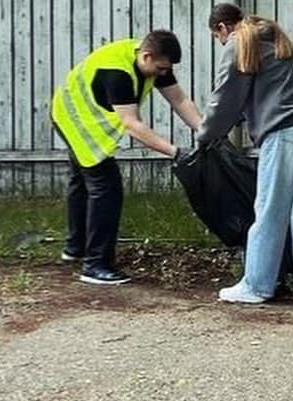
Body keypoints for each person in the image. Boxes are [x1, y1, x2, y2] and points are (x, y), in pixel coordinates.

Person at [195, 15, 293, 305]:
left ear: (222, 27)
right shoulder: (272, 34)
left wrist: (205, 135)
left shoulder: (238, 41)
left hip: (283, 128)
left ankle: (257, 285)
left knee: (270, 206)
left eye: (217, 37)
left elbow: (225, 98)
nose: (221, 42)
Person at [51, 29, 201, 286]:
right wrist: (175, 152)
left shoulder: (152, 59)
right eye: (161, 68)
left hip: (73, 113)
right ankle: (95, 264)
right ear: (146, 56)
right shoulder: (117, 74)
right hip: (77, 120)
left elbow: (180, 100)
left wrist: (205, 131)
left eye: (167, 69)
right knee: (106, 188)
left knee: (81, 181)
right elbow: (132, 125)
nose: (164, 74)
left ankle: (75, 248)